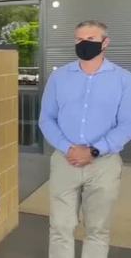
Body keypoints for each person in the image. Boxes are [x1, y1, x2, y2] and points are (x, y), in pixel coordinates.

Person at [39, 20, 131, 258]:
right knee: (60, 227)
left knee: (97, 229)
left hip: (104, 164)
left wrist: (94, 150)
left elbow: (127, 124)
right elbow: (46, 119)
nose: (83, 44)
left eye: (90, 39)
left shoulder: (123, 79)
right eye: (79, 39)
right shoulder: (59, 78)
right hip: (64, 160)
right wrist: (68, 148)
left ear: (105, 43)